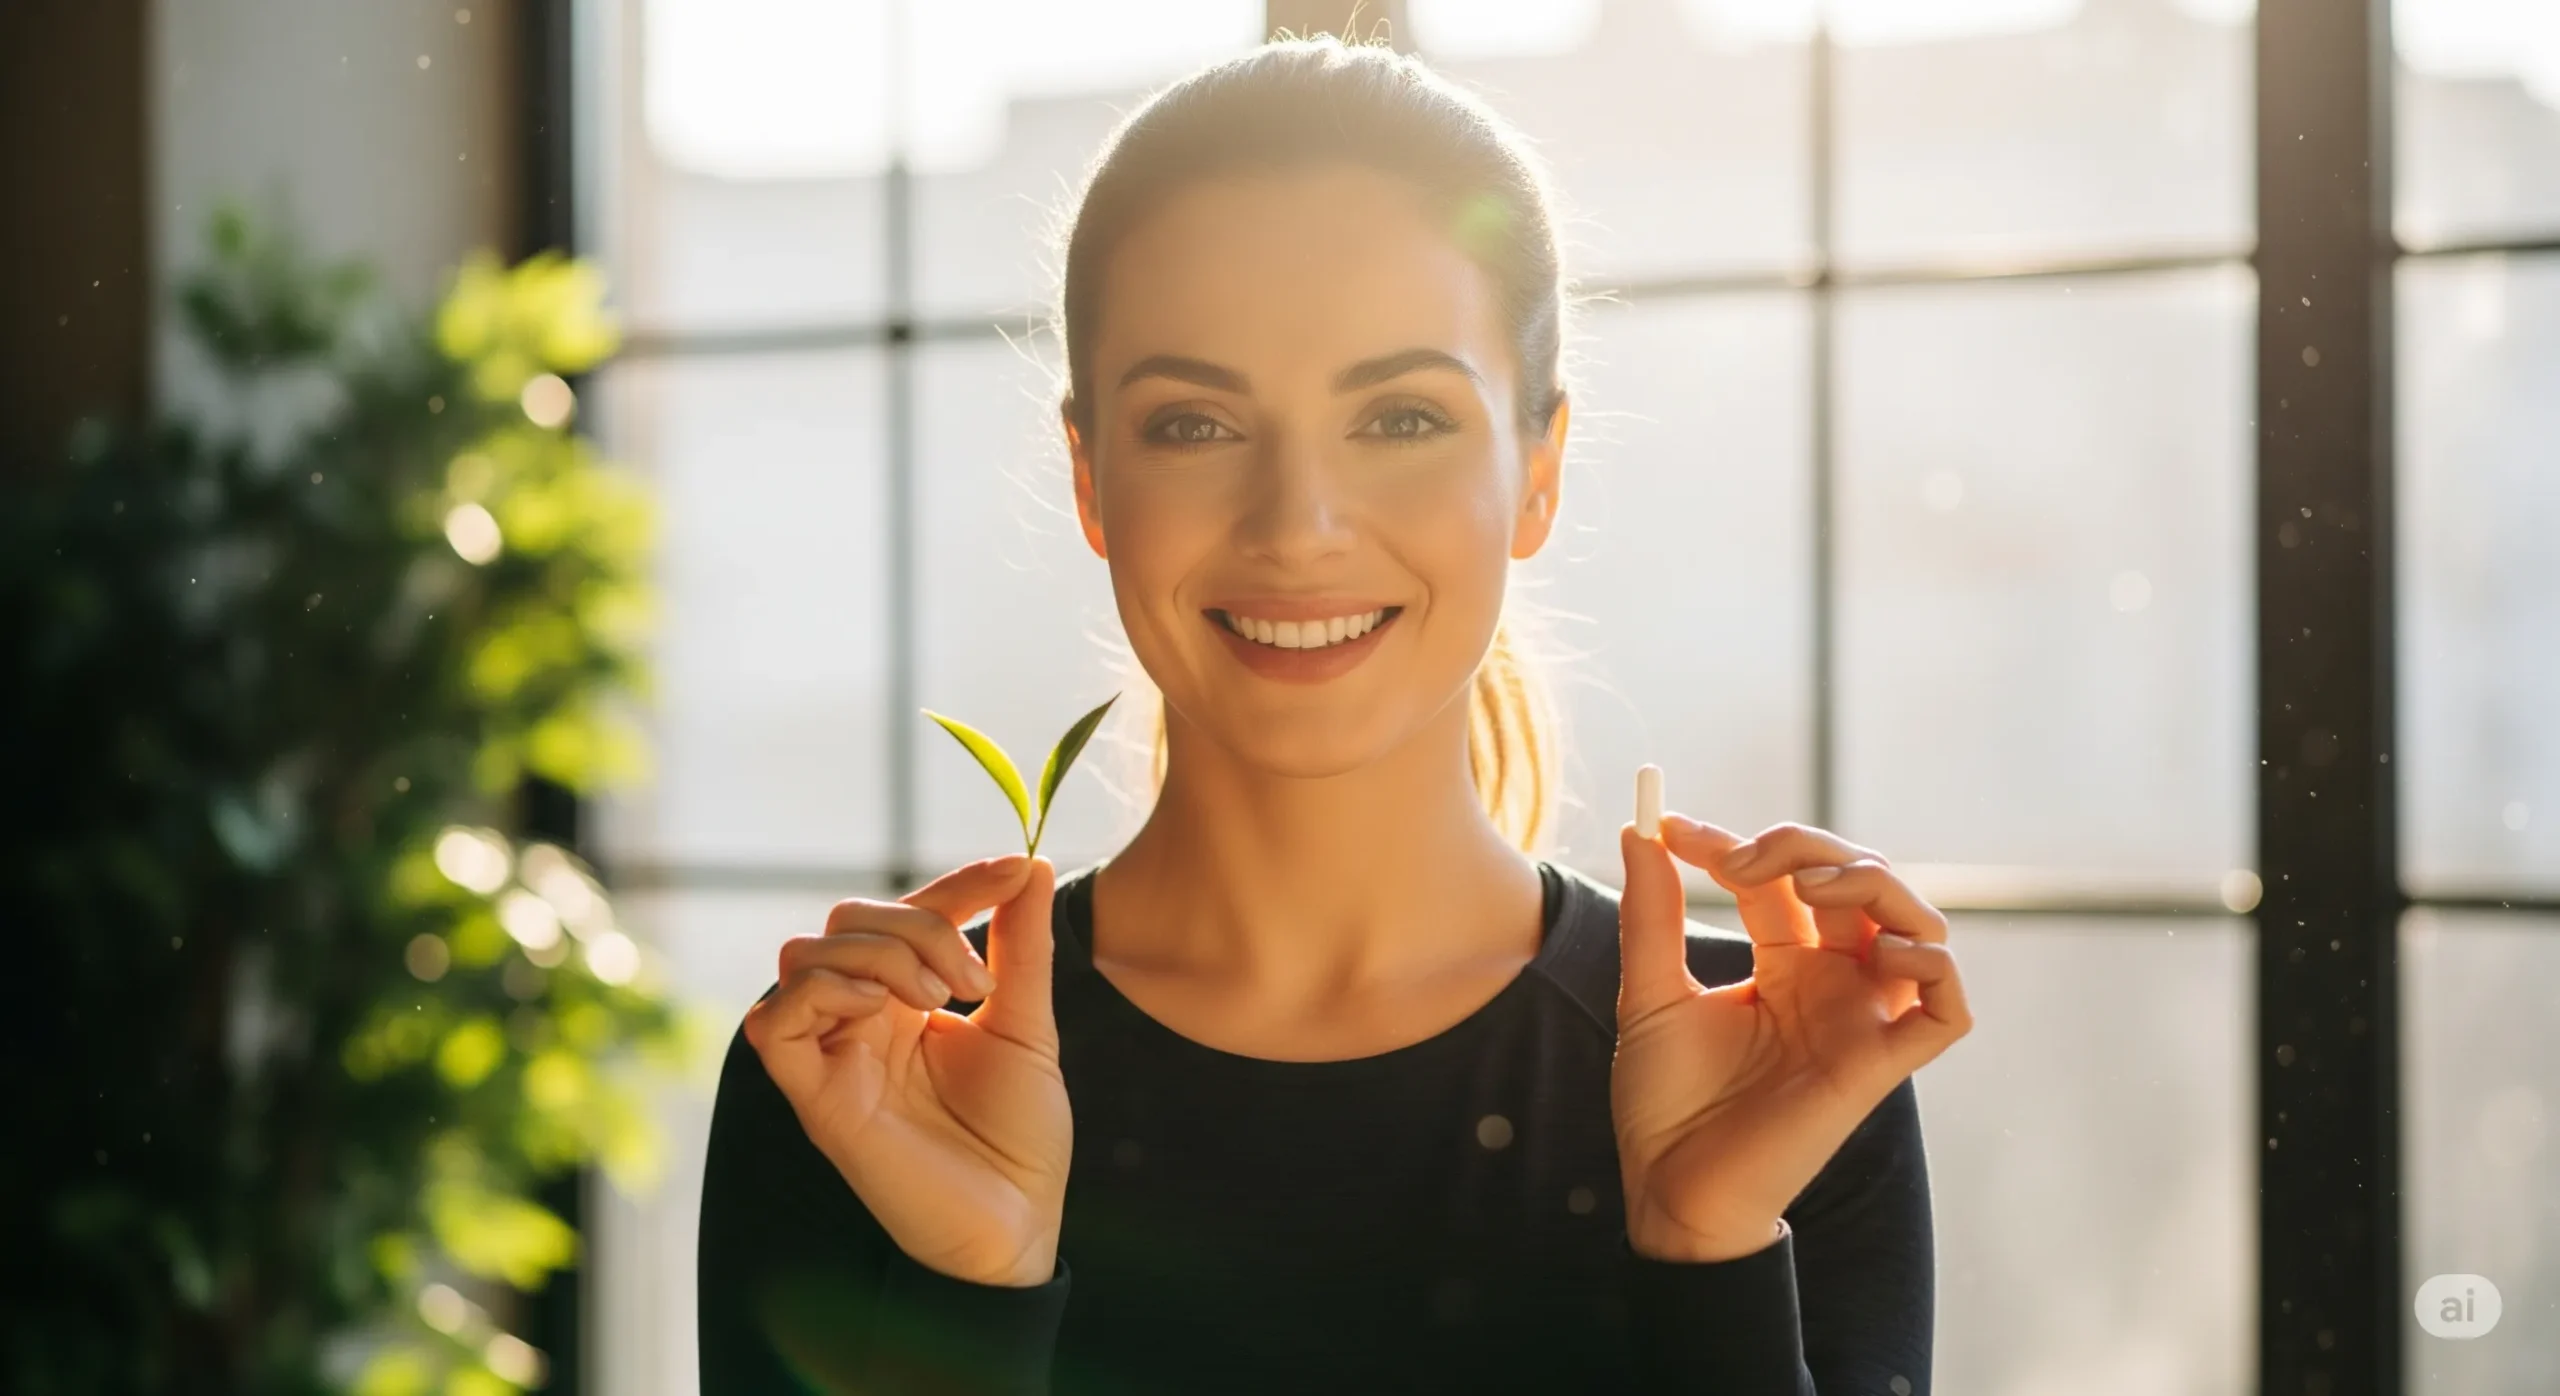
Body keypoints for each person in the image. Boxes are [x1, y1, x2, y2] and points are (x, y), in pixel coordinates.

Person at [698, 33, 1971, 1396]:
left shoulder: (1782, 1069)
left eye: (1403, 418)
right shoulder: (867, 1074)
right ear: (1089, 476)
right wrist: (972, 1289)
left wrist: (1707, 1247)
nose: (1296, 525)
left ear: (1540, 470)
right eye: (1193, 424)